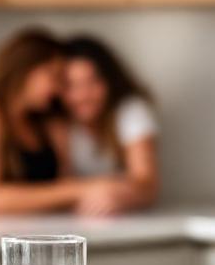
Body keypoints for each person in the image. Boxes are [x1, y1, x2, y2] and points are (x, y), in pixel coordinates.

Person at [0, 28, 83, 215]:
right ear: (25, 67)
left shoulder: (43, 121)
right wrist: (80, 190)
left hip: (43, 233)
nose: (58, 89)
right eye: (54, 76)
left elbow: (63, 182)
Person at [58, 35, 159, 216]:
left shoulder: (130, 110)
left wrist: (119, 197)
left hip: (122, 219)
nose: (83, 95)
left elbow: (147, 184)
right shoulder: (56, 122)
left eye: (92, 82)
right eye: (72, 85)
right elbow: (60, 185)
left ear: (109, 82)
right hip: (68, 220)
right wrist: (107, 187)